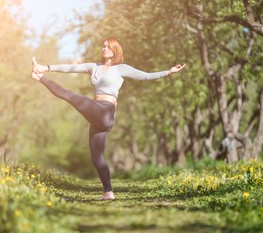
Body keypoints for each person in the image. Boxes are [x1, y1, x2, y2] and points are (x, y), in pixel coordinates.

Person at [31, 37, 185, 200]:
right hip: (96, 114)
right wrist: (45, 67)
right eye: (103, 46)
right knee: (96, 157)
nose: (104, 48)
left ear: (115, 50)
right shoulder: (94, 67)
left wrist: (169, 71)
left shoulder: (121, 69)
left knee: (71, 96)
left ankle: (39, 77)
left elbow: (146, 76)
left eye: (108, 47)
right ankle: (108, 192)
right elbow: (70, 67)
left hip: (105, 112)